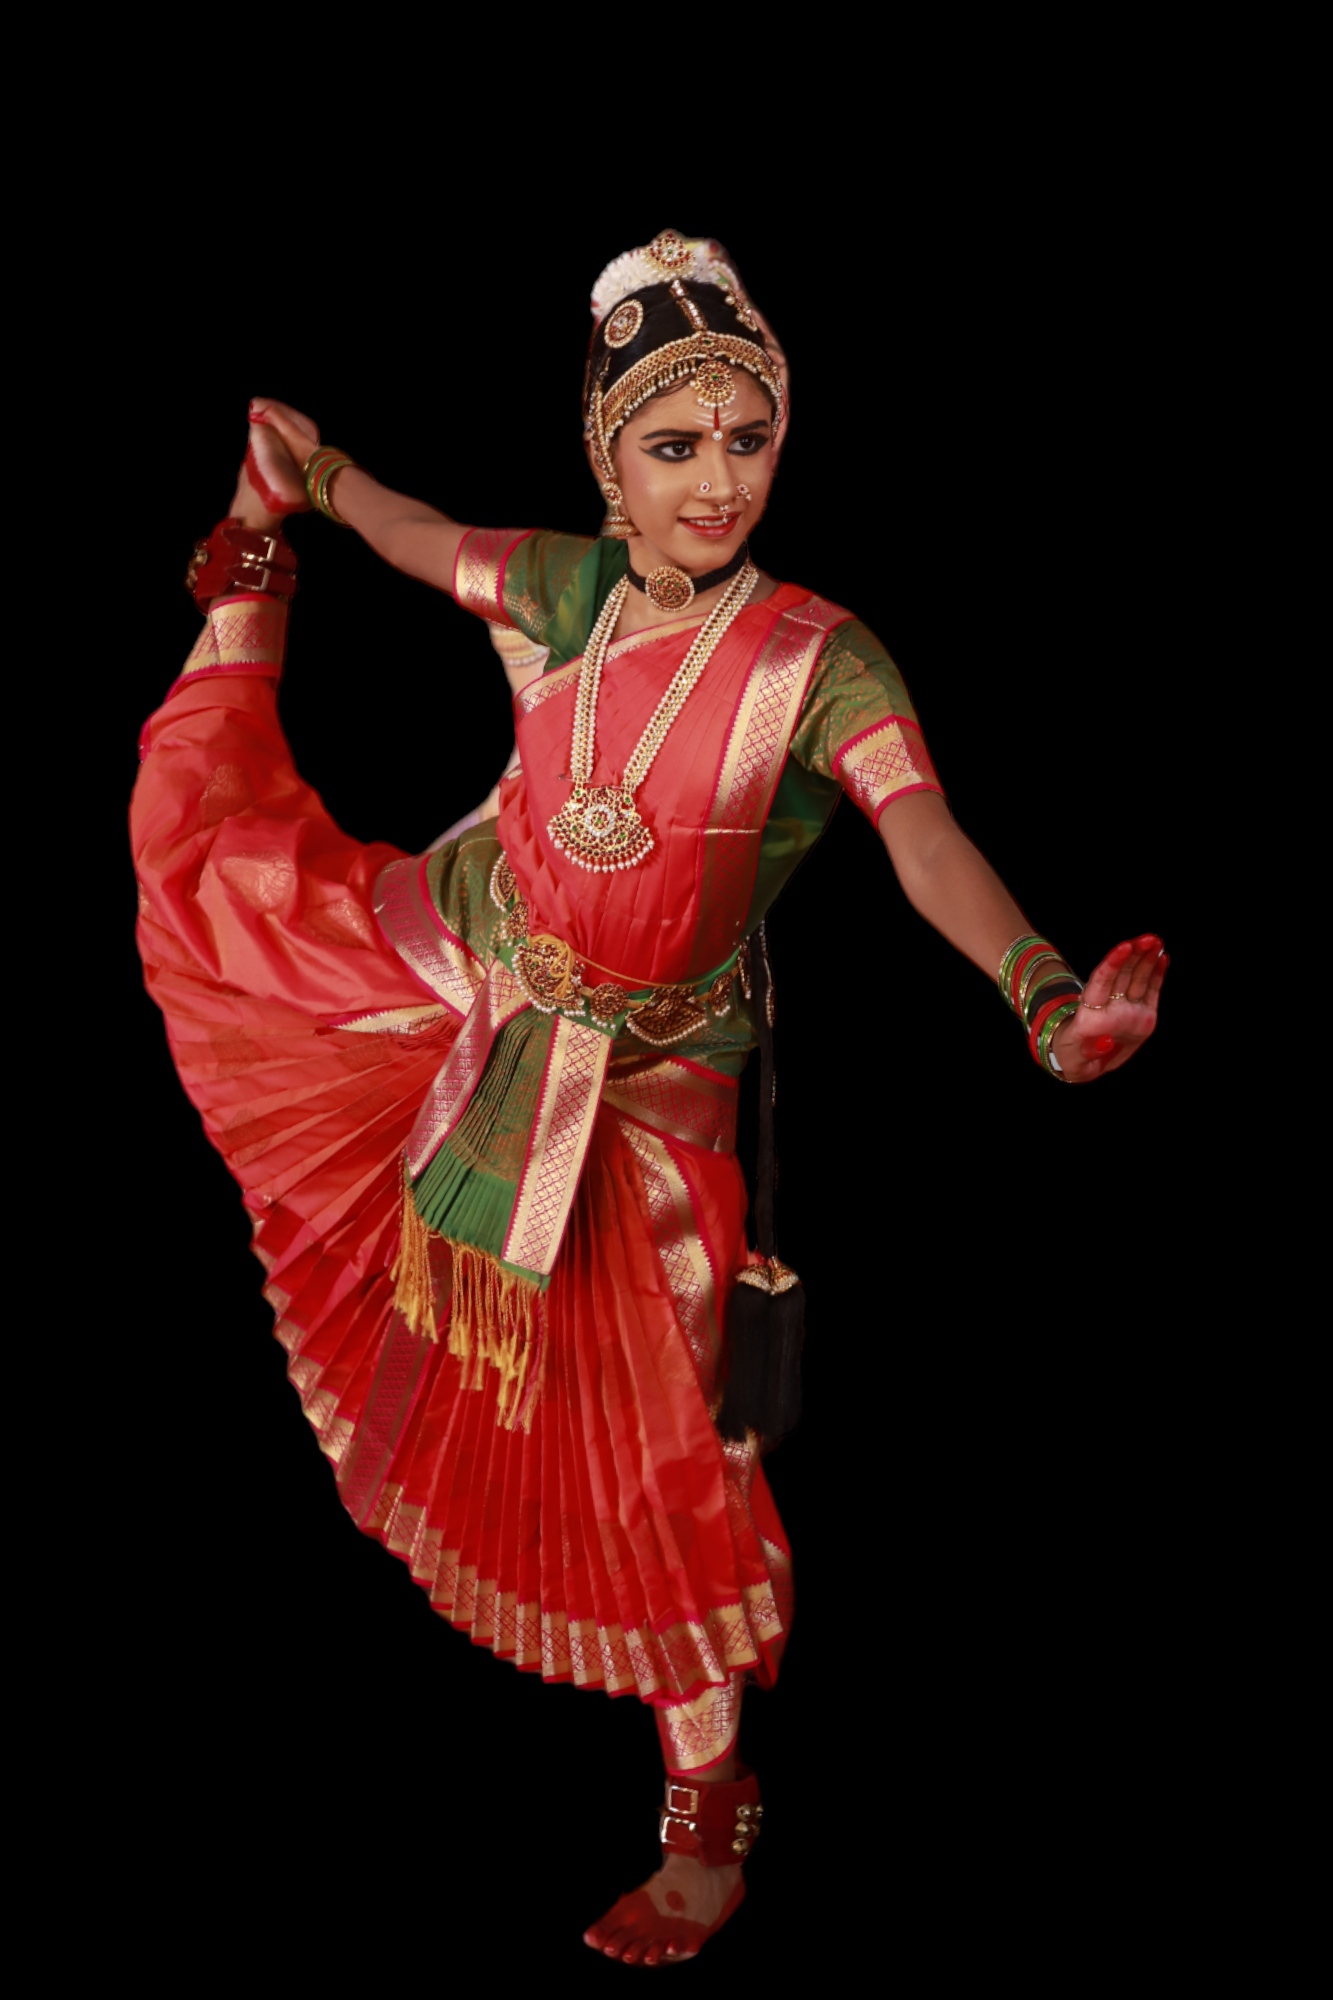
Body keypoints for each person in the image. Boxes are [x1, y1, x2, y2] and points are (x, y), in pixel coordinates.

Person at [131, 229, 1167, 1966]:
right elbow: (408, 534)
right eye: (672, 446)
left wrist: (1041, 994)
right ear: (608, 463)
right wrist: (305, 484)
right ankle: (241, 579)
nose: (716, 482)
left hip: (655, 1085)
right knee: (222, 896)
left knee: (677, 1446)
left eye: (746, 440)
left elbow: (924, 842)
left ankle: (706, 1828)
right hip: (466, 983)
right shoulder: (561, 592)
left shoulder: (819, 662)